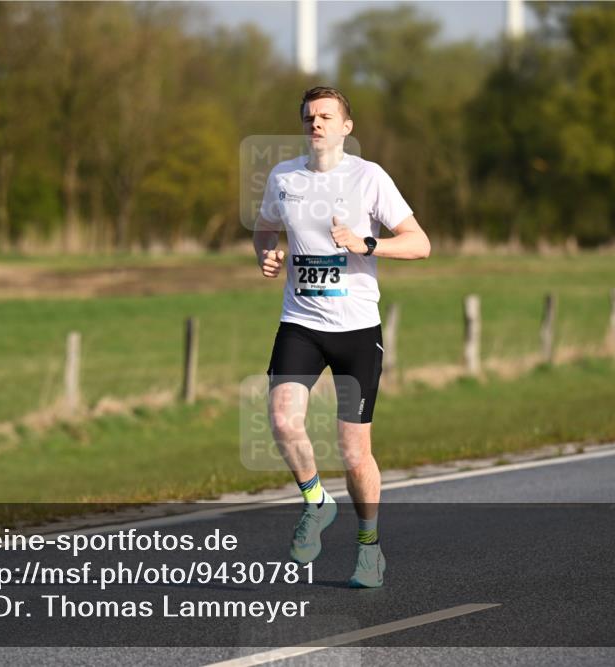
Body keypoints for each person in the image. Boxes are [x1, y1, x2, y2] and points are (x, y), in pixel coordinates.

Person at [253, 86, 430, 588]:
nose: (317, 124)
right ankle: (315, 500)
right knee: (283, 421)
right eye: (310, 116)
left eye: (327, 116)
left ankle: (369, 548)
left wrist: (366, 242)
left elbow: (421, 243)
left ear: (346, 127)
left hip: (356, 330)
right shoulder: (284, 177)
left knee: (354, 454)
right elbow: (265, 228)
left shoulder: (368, 177)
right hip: (301, 323)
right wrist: (265, 253)